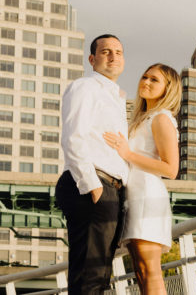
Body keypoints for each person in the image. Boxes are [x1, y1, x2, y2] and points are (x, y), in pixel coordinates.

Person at [55, 34, 129, 295]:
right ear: (92, 59)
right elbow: (72, 137)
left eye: (118, 52)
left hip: (110, 188)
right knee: (89, 276)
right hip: (92, 185)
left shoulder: (116, 97)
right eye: (106, 51)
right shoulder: (85, 87)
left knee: (99, 274)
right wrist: (92, 186)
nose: (113, 56)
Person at [104, 63, 181, 295]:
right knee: (140, 271)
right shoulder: (142, 118)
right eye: (144, 76)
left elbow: (171, 169)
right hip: (133, 197)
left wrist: (127, 154)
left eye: (154, 80)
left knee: (150, 270)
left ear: (168, 89)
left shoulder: (161, 119)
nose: (145, 82)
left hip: (147, 195)